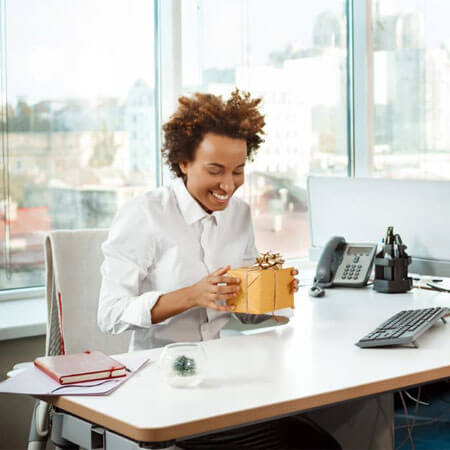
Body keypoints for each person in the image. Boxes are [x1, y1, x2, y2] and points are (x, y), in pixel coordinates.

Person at [98, 89, 341, 449]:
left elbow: (243, 312)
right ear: (183, 162)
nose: (228, 184)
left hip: (223, 375)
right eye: (215, 170)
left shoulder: (239, 215)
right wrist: (192, 296)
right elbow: (110, 314)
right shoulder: (145, 214)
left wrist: (272, 296)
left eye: (238, 171)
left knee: (317, 442)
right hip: (161, 382)